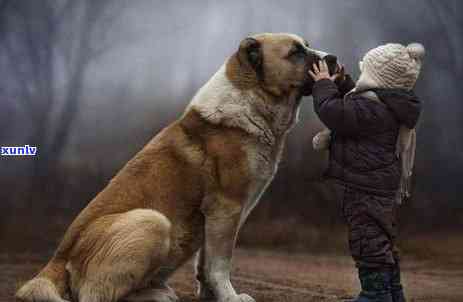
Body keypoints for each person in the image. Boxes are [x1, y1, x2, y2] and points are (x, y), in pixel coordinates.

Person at [308, 43, 425, 302]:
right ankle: (393, 293)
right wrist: (342, 81)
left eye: (365, 72)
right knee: (381, 241)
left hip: (365, 190)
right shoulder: (389, 103)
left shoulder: (370, 109)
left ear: (376, 78)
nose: (361, 77)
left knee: (367, 241)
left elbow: (334, 112)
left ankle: (375, 296)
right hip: (380, 186)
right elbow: (357, 100)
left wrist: (323, 84)